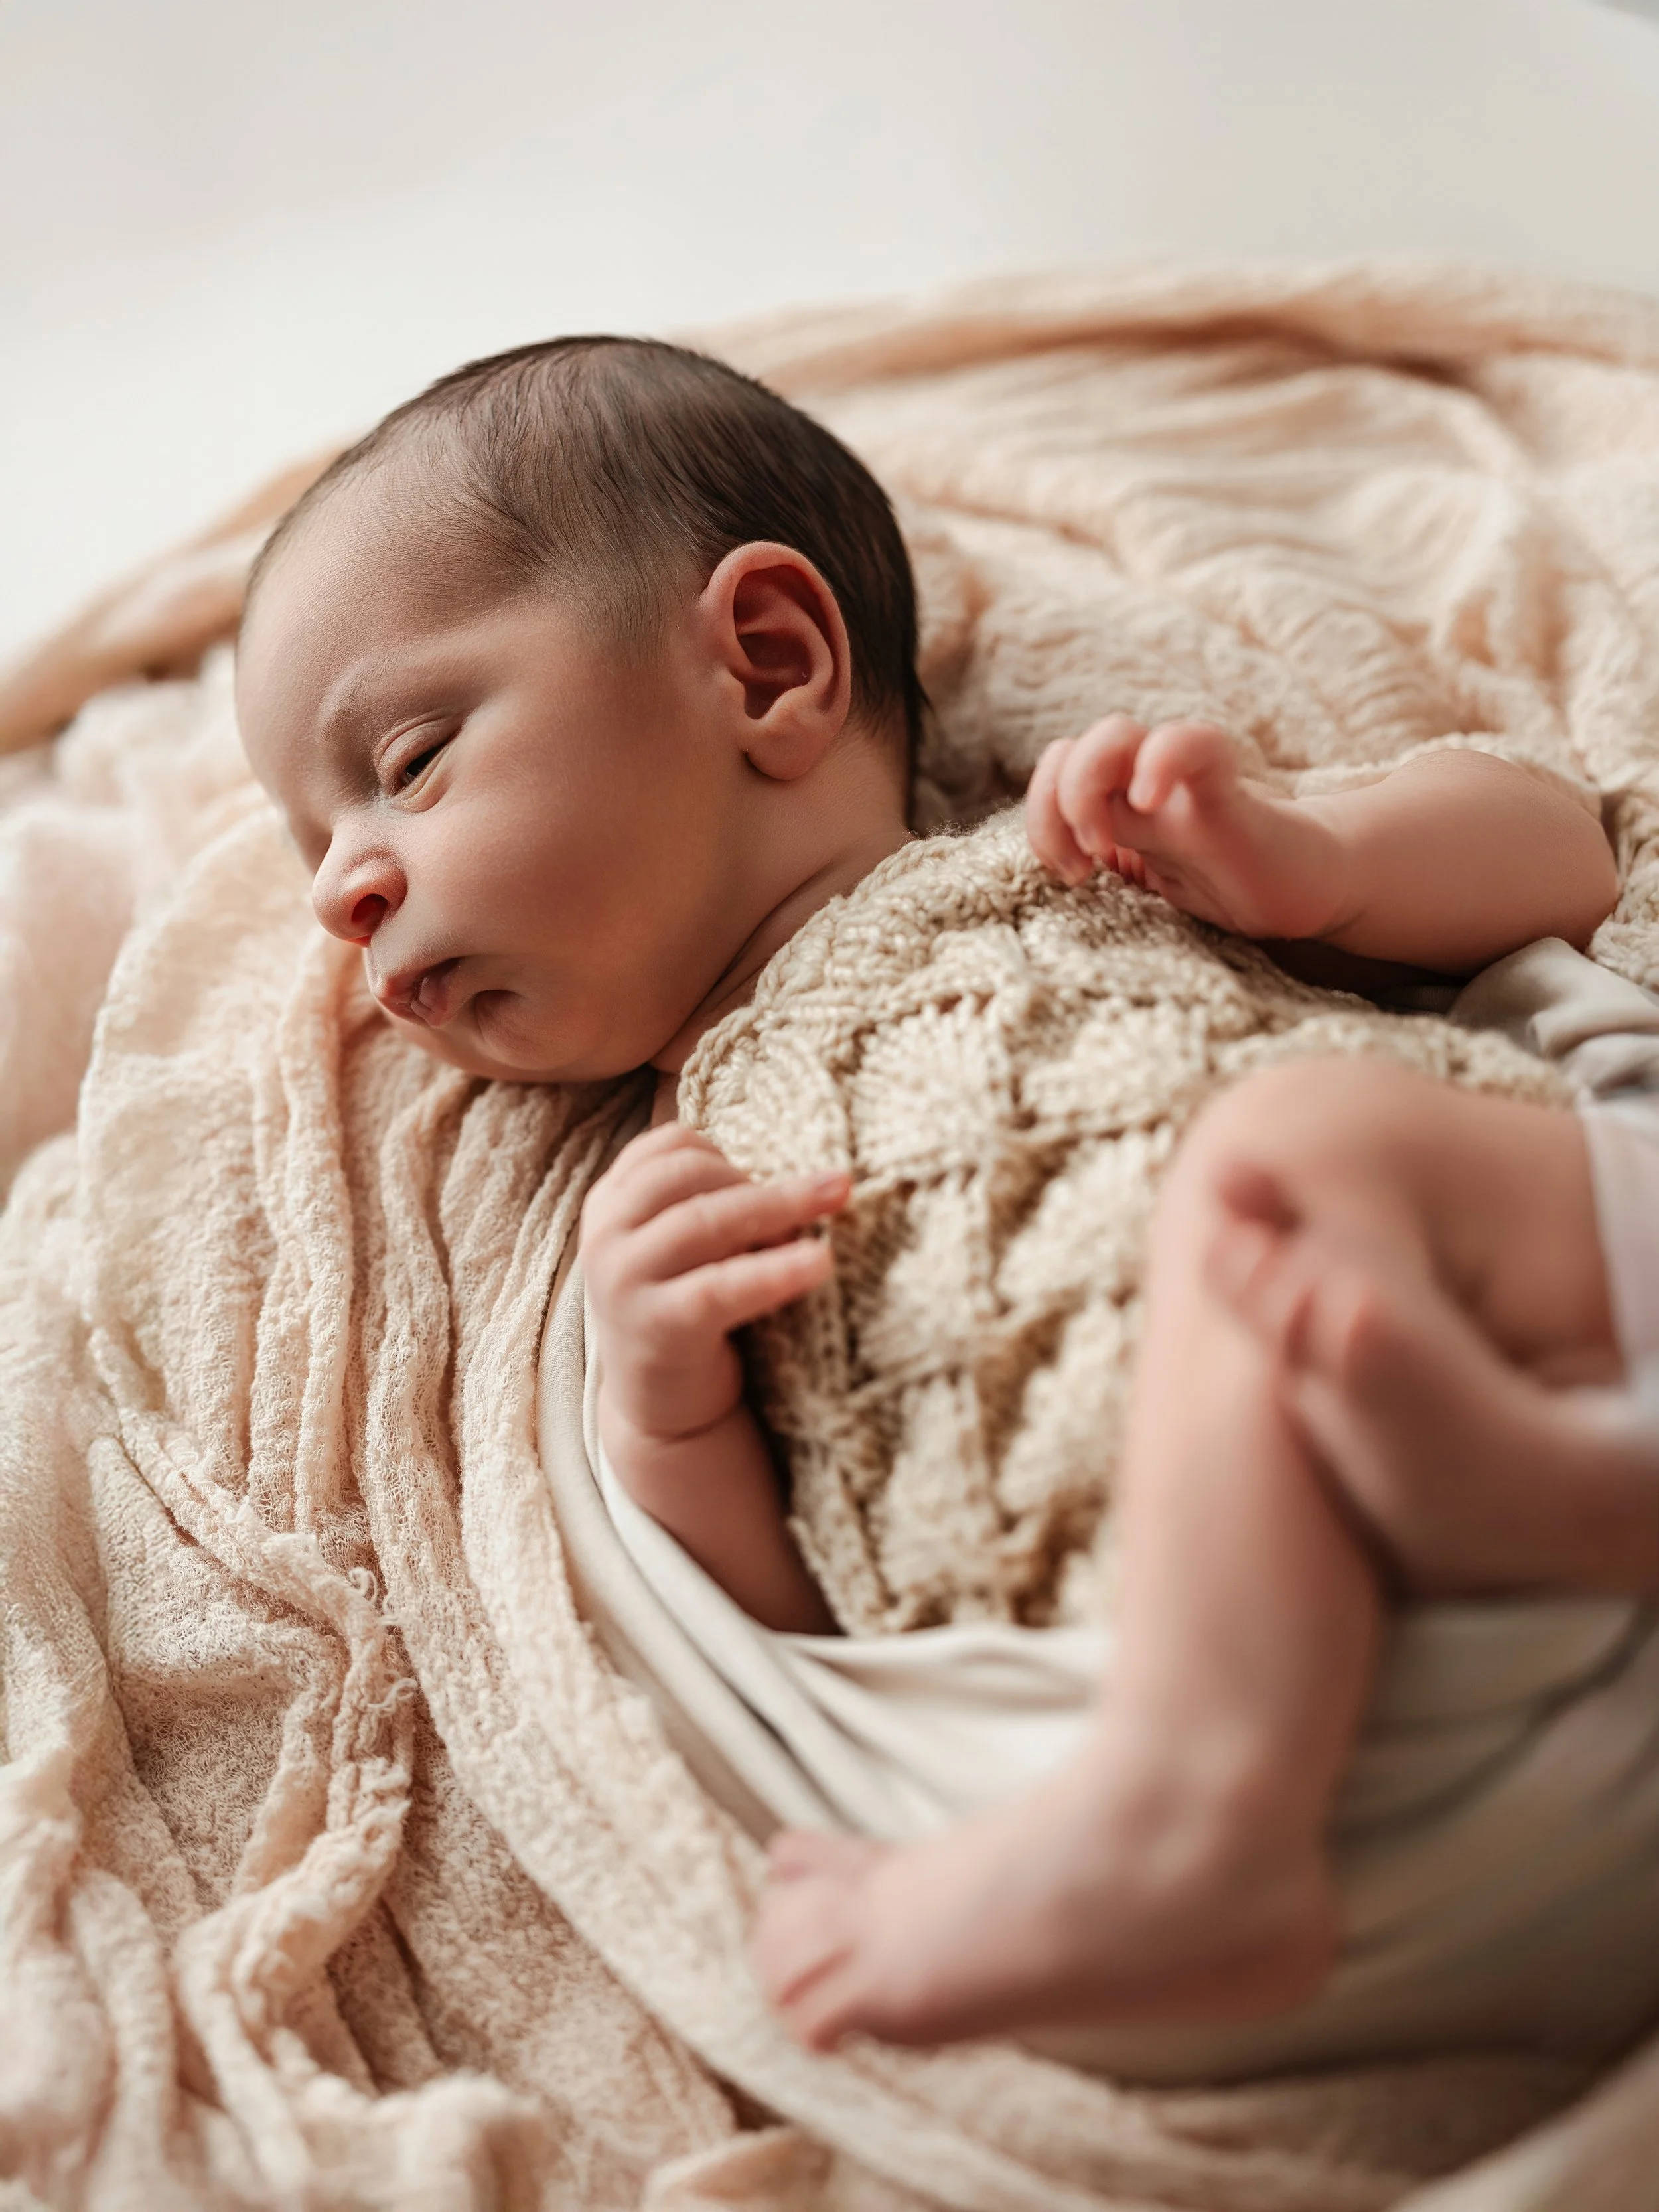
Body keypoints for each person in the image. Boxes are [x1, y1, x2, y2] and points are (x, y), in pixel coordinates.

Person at [235, 333, 1633, 2048]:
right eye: (311, 849)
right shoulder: (659, 1204)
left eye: (404, 759)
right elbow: (783, 1623)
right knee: (1271, 1265)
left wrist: (1312, 857)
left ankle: (1198, 1826)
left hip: (1504, 1268)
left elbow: (1559, 853)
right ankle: (1493, 1518)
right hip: (1192, 1613)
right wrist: (667, 1413)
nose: (341, 891)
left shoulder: (1075, 844)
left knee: (1284, 1165)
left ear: (763, 662)